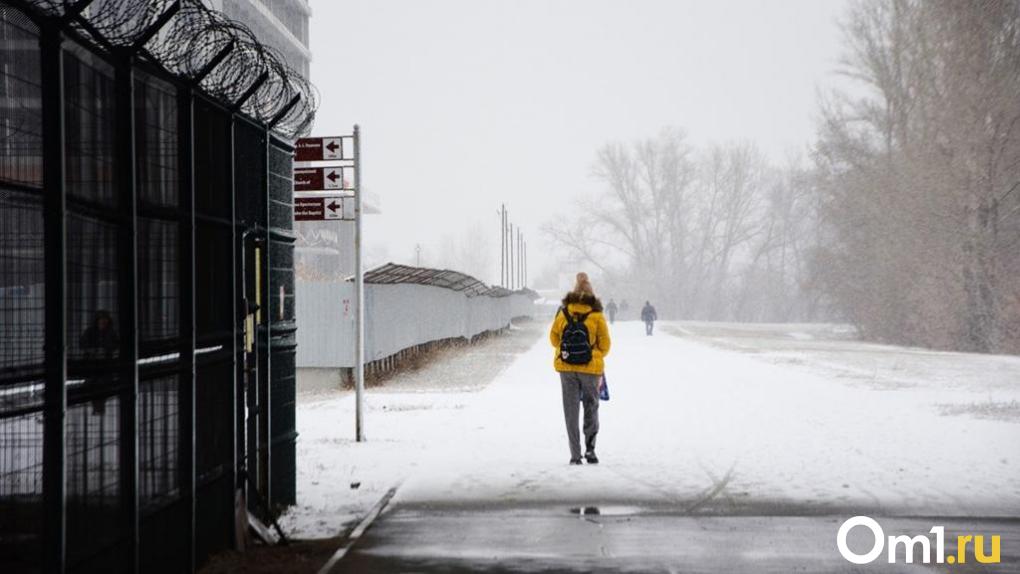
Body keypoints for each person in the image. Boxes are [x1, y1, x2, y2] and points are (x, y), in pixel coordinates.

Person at [549, 272, 611, 465]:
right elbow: (605, 345)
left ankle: (575, 455)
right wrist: (592, 354)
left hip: (566, 368)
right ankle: (590, 450)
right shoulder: (596, 315)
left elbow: (553, 339)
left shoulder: (563, 312)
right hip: (590, 370)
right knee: (591, 407)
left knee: (571, 410)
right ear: (592, 295)